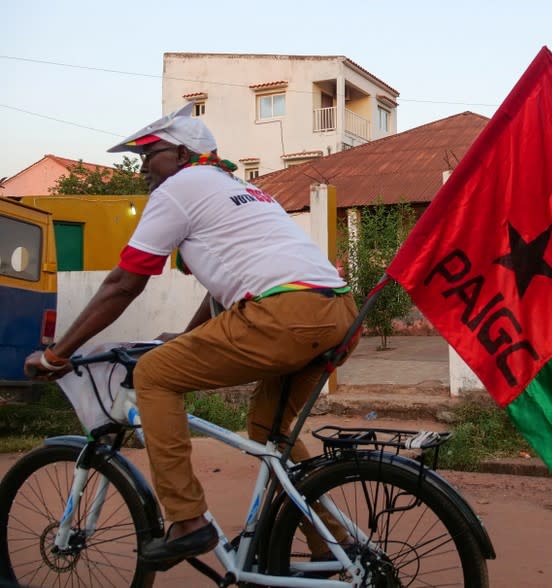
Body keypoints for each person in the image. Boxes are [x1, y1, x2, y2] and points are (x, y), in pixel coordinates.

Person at [24, 103, 359, 563]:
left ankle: (187, 520)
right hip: (337, 313)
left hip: (283, 316)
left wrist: (57, 355)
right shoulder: (241, 189)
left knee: (155, 376)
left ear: (181, 154)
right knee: (267, 430)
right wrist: (184, 340)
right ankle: (334, 546)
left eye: (150, 154)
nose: (142, 167)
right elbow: (222, 291)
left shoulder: (180, 188)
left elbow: (124, 283)